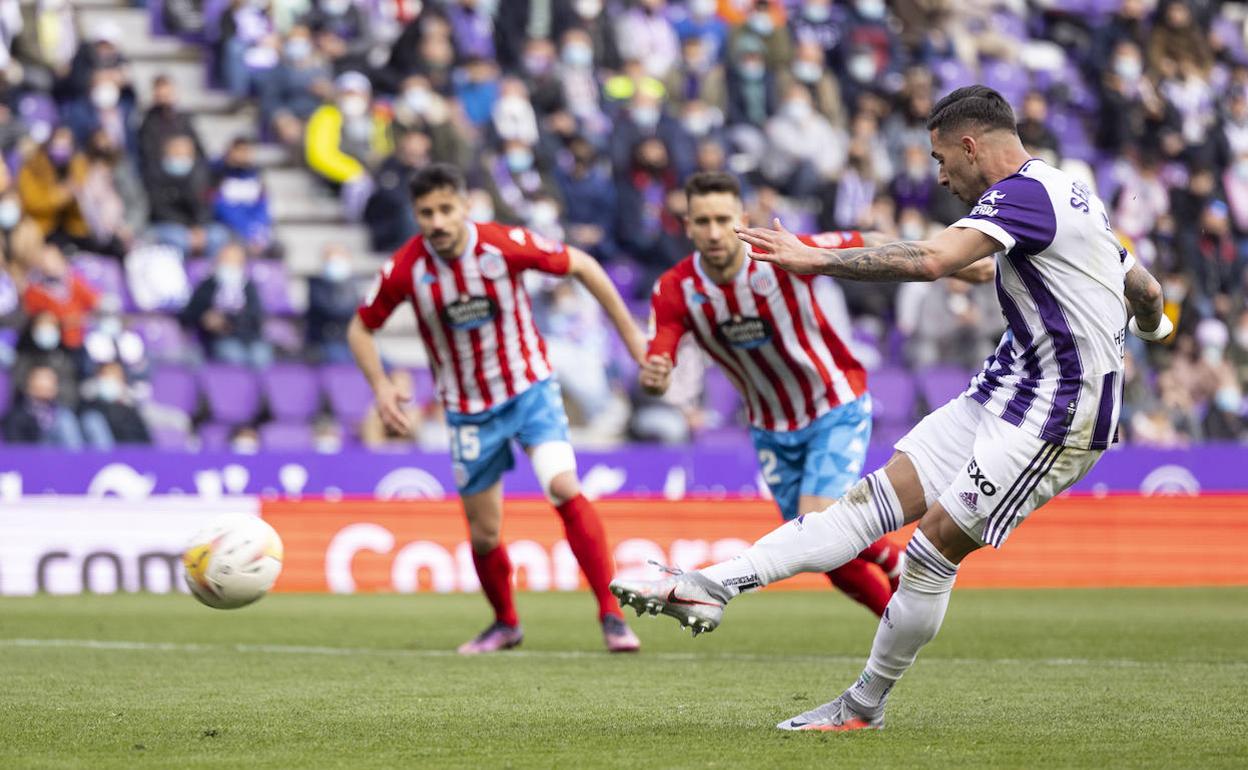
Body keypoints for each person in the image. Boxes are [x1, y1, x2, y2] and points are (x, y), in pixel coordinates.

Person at [610, 86, 1170, 731]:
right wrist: (1153, 328)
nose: (939, 175)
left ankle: (861, 706)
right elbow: (1145, 287)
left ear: (969, 145)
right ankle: (707, 586)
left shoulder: (1021, 196)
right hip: (1003, 389)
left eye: (940, 158)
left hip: (1055, 414)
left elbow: (932, 259)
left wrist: (817, 259)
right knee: (864, 506)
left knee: (929, 554)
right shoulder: (1070, 192)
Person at [348, 163, 647, 654]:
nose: (438, 221)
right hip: (467, 411)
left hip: (529, 390)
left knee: (562, 485)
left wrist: (630, 333)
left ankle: (611, 615)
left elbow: (583, 264)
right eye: (427, 213)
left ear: (465, 206)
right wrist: (380, 384)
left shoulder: (502, 244)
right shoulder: (408, 269)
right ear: (416, 215)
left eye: (447, 209)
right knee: (485, 534)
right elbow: (360, 327)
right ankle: (506, 623)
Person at [641, 171, 918, 617]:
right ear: (687, 225)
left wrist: (947, 258)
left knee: (817, 526)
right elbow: (660, 357)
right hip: (771, 426)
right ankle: (891, 585)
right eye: (702, 222)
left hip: (833, 403)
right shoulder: (676, 289)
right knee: (820, 550)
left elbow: (866, 237)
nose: (713, 232)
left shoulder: (780, 252)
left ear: (742, 218)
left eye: (722, 220)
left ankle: (898, 610)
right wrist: (655, 375)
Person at [178, 241, 271, 367]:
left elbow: (256, 316)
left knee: (260, 356)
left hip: (249, 339)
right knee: (233, 355)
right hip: (221, 338)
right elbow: (190, 314)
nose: (227, 264)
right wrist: (205, 318)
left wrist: (228, 320)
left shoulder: (249, 287)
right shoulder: (208, 285)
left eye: (231, 260)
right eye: (224, 259)